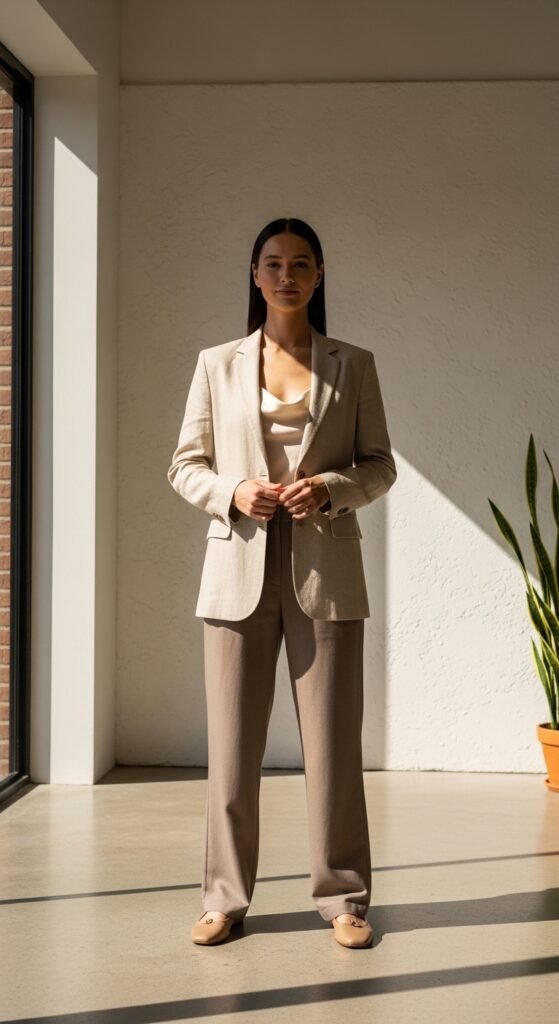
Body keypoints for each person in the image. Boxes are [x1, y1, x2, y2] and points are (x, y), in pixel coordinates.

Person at [167, 217, 397, 949]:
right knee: (231, 748)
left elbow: (378, 463)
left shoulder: (352, 364)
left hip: (325, 574)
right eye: (272, 263)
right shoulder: (216, 363)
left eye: (300, 264)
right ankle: (223, 897)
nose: (286, 275)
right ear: (255, 275)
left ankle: (344, 899)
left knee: (331, 748)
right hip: (235, 569)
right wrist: (233, 491)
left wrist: (328, 487)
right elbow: (185, 465)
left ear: (319, 275)